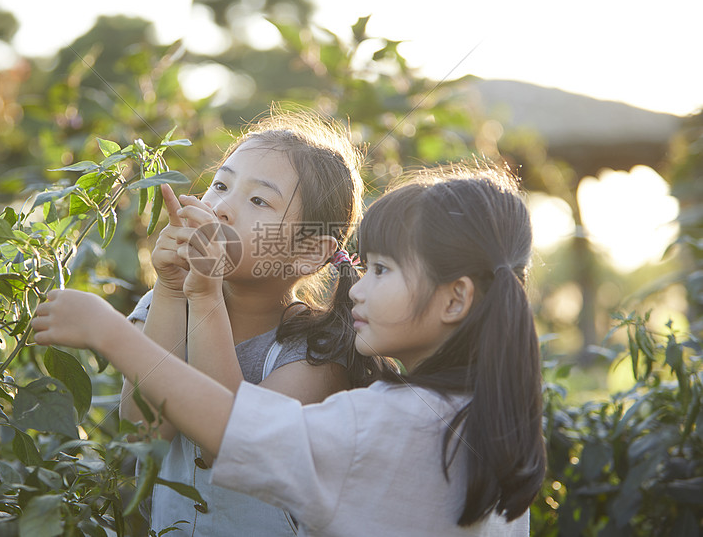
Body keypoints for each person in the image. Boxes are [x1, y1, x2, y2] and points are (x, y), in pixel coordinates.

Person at [33, 164, 546, 536]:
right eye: (221, 183)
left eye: (384, 271)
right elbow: (145, 423)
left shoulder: (389, 421)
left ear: (456, 297)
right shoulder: (475, 413)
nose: (360, 288)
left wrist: (108, 330)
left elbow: (232, 434)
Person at [117, 111, 384, 535]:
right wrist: (170, 289)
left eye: (258, 200)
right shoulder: (166, 305)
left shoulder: (317, 354)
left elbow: (226, 440)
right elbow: (141, 431)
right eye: (220, 185)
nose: (220, 209)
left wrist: (203, 295)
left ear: (309, 253)